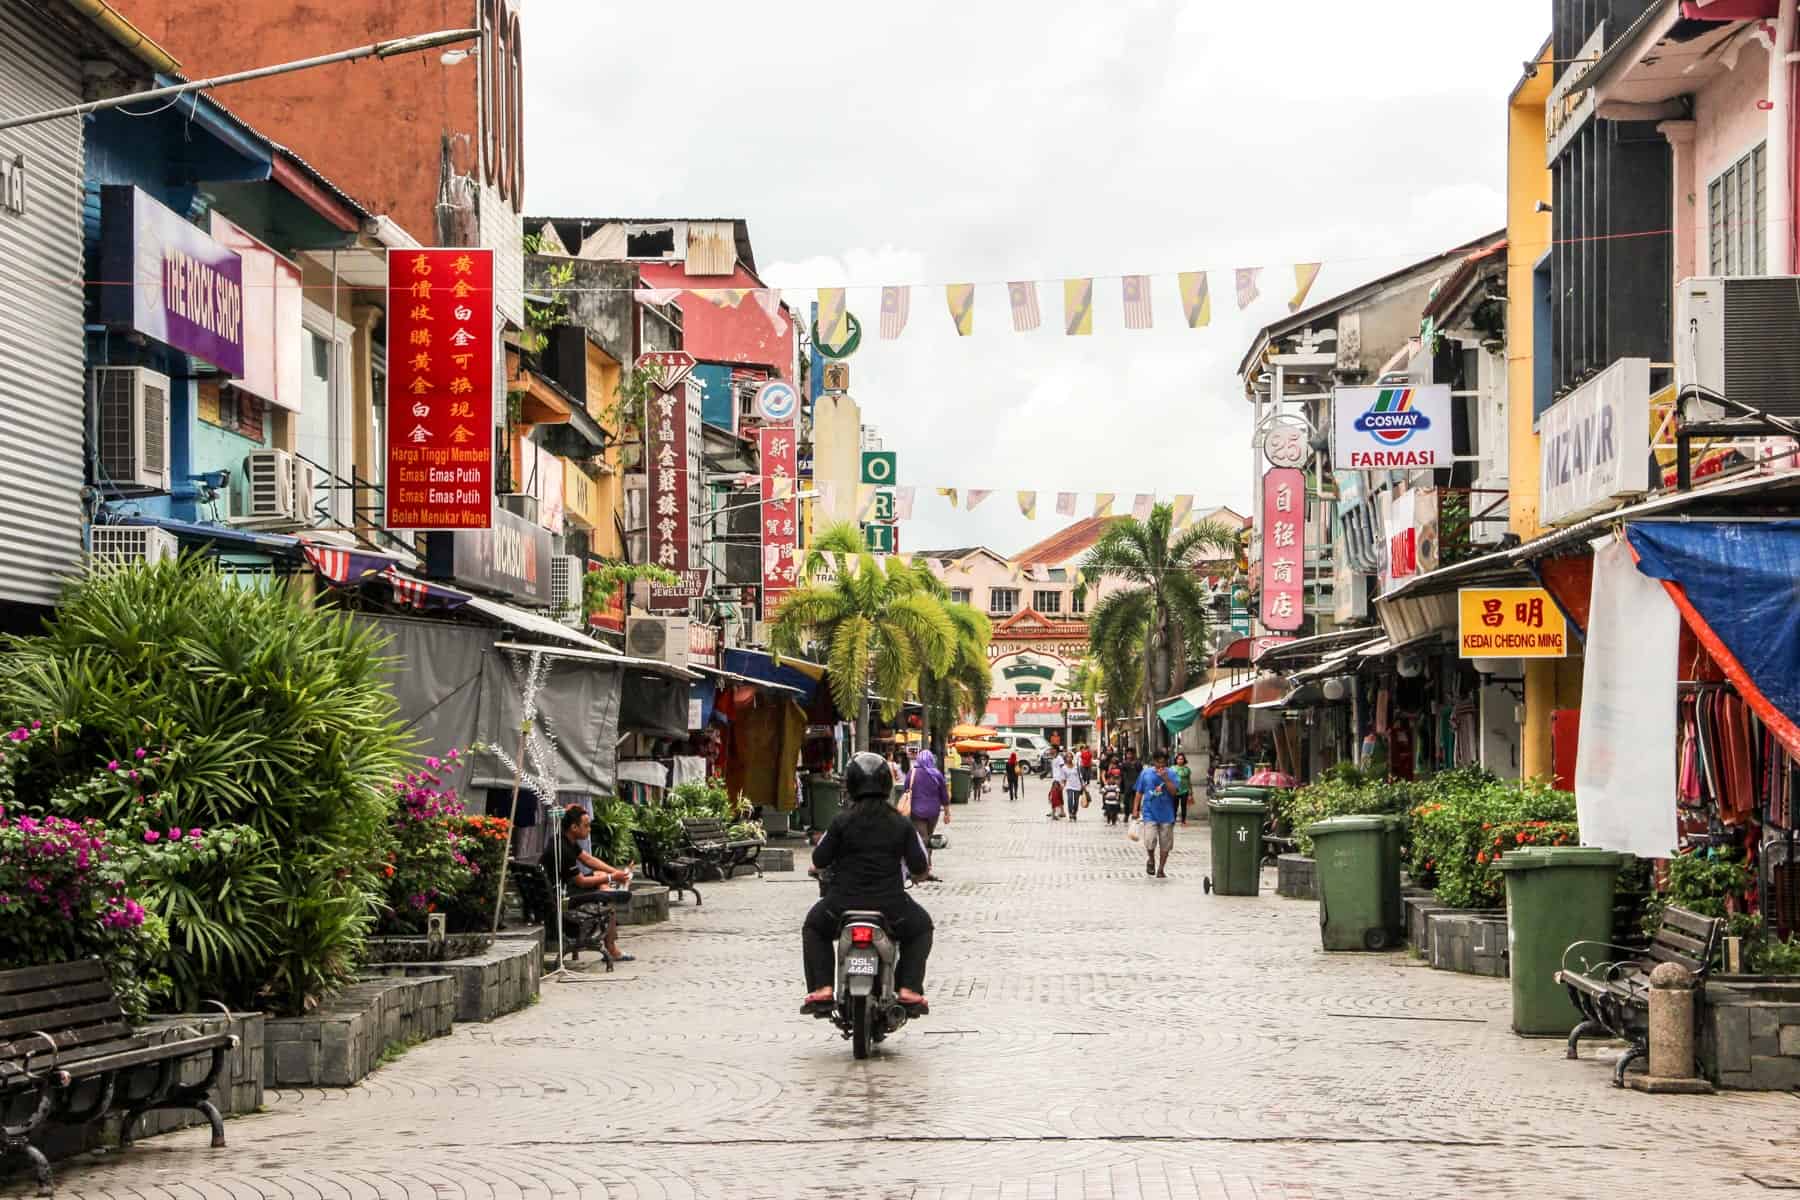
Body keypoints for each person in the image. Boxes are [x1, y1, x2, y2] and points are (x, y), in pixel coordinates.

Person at [802, 751, 935, 1013]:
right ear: (887, 784)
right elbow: (919, 866)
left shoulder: (841, 821)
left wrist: (816, 867)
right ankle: (908, 988)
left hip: (841, 905)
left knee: (814, 927)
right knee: (922, 928)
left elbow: (820, 858)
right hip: (891, 907)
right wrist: (920, 875)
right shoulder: (901, 824)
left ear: (850, 784)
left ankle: (822, 989)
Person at [541, 805, 636, 962]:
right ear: (574, 827)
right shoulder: (563, 849)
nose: (589, 829)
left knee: (601, 876)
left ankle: (614, 890)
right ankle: (612, 949)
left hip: (560, 891)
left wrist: (617, 873)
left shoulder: (564, 840)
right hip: (560, 900)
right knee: (608, 897)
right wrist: (612, 878)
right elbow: (582, 882)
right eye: (586, 825)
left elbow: (589, 860)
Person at [901, 748, 949, 881]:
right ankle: (926, 867)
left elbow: (906, 789)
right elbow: (944, 794)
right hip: (933, 812)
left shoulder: (913, 772)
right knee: (929, 839)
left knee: (922, 839)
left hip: (917, 811)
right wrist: (947, 812)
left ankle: (923, 869)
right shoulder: (936, 774)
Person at [1132, 751, 1181, 878]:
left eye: (1163, 762)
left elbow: (1174, 792)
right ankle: (1151, 859)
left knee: (1166, 844)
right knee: (1150, 839)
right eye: (1158, 762)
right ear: (1153, 762)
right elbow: (1139, 792)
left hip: (1167, 814)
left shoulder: (1172, 774)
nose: (1160, 765)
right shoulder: (1145, 773)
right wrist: (1135, 809)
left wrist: (1165, 778)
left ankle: (1161, 869)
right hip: (1149, 812)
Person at [1173, 752, 1194, 825]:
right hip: (1175, 790)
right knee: (1174, 806)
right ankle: (1173, 820)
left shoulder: (1187, 769)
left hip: (1185, 790)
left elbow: (1189, 781)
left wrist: (1191, 793)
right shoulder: (1172, 768)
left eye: (1182, 759)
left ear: (1184, 760)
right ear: (1176, 760)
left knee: (1184, 806)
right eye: (1179, 759)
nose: (1180, 760)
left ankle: (1183, 821)